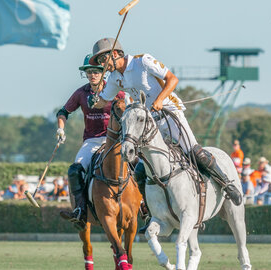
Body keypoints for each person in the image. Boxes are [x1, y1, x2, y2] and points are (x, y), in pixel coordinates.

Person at [87, 38, 242, 211]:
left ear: (114, 54)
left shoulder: (142, 61)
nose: (103, 65)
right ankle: (149, 209)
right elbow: (103, 101)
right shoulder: (115, 78)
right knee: (140, 169)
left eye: (103, 60)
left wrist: (160, 100)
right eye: (100, 62)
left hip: (169, 113)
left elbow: (172, 79)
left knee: (195, 152)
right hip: (150, 124)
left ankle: (227, 184)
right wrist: (94, 100)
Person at [58, 53, 126, 230]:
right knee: (75, 170)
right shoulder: (81, 93)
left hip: (115, 140)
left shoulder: (115, 92)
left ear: (103, 73)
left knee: (139, 164)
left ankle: (143, 206)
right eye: (89, 72)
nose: (92, 75)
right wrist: (60, 129)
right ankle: (80, 210)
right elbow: (63, 111)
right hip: (92, 141)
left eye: (96, 71)